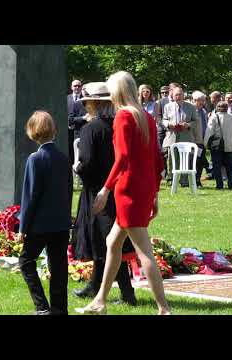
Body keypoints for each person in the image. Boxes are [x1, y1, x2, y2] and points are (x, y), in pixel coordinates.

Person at [79, 71, 170, 315]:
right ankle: (100, 300)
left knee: (143, 251)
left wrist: (105, 190)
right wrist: (155, 195)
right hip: (142, 188)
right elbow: (157, 162)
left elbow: (122, 159)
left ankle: (164, 309)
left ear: (117, 91)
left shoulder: (123, 117)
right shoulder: (146, 117)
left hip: (127, 190)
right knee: (112, 242)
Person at [72, 82, 136, 306]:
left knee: (109, 241)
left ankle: (128, 294)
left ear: (94, 103)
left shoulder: (92, 128)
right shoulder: (121, 125)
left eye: (87, 102)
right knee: (105, 240)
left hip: (97, 191)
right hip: (119, 189)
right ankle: (94, 284)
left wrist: (77, 169)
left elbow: (87, 162)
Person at [17, 110, 72, 315]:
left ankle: (42, 307)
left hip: (40, 224)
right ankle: (59, 309)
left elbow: (30, 196)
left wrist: (23, 226)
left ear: (33, 132)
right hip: (60, 222)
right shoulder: (63, 158)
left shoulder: (35, 159)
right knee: (59, 267)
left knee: (26, 261)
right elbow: (68, 192)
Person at [162, 86, 199, 187]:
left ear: (184, 95)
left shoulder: (191, 107)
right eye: (176, 95)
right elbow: (164, 120)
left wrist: (188, 125)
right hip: (172, 136)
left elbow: (196, 121)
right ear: (173, 96)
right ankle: (171, 179)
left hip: (186, 136)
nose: (178, 96)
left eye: (180, 94)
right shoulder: (167, 106)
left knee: (185, 159)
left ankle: (184, 181)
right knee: (171, 159)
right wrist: (169, 124)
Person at [204, 101, 232, 190]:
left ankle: (219, 185)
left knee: (217, 167)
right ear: (227, 108)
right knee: (230, 167)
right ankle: (231, 184)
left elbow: (209, 132)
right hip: (230, 146)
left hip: (217, 147)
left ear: (217, 108)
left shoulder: (213, 117)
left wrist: (206, 144)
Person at [192, 90, 210, 187]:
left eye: (203, 100)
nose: (203, 102)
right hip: (194, 140)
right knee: (196, 161)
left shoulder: (203, 111)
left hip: (203, 140)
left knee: (200, 162)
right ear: (195, 100)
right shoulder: (192, 111)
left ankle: (197, 179)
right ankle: (194, 180)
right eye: (201, 100)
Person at [67, 79, 87, 165]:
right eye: (75, 86)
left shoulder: (86, 99)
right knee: (70, 150)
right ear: (71, 87)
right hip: (68, 130)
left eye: (79, 86)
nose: (77, 87)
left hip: (80, 130)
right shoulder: (66, 99)